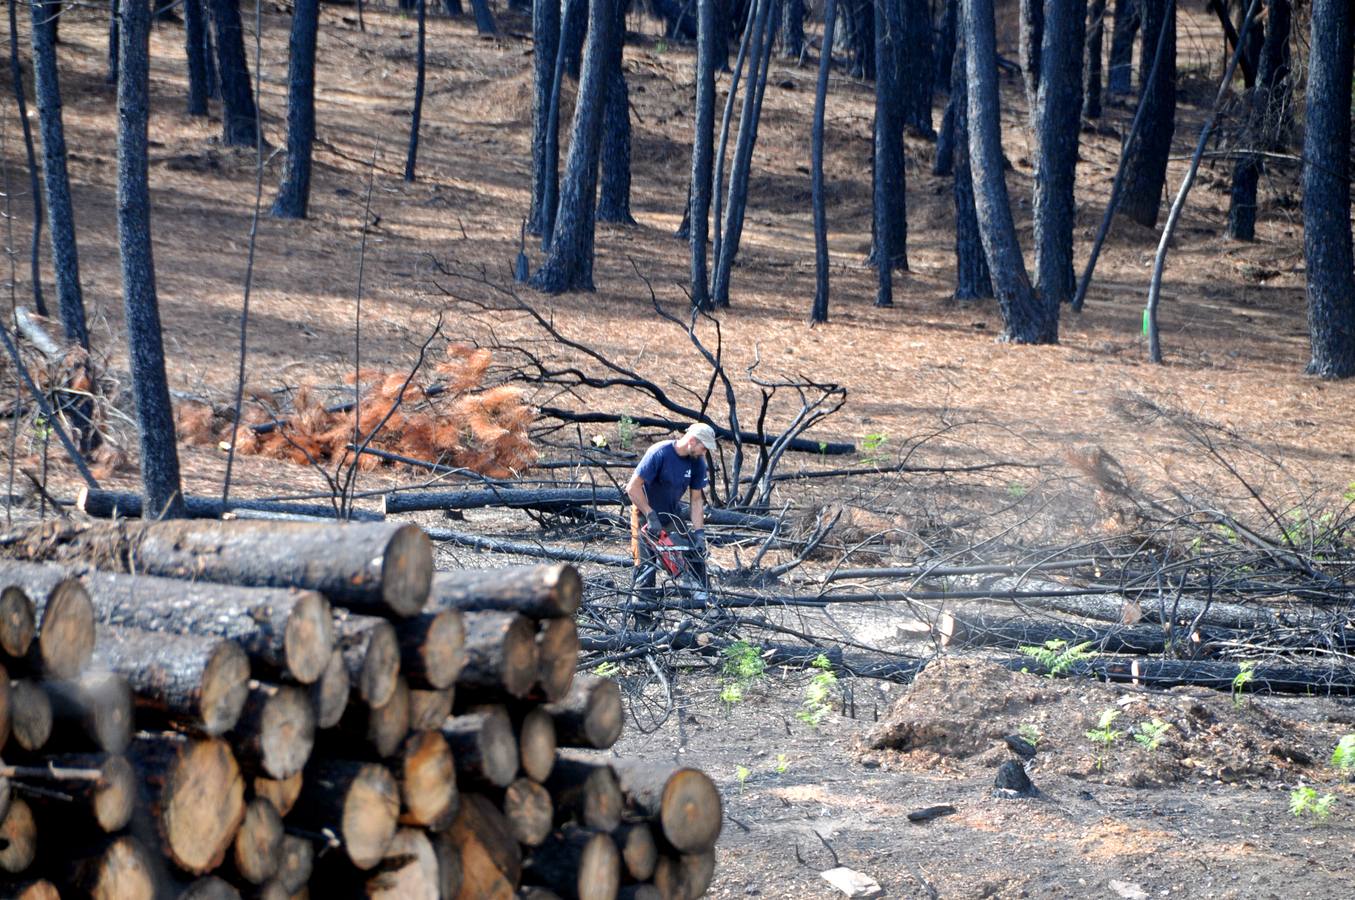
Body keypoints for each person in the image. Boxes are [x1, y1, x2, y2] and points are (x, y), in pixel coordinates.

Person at [626, 422, 717, 592]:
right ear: (692, 441)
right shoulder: (660, 453)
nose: (704, 452)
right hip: (644, 516)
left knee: (693, 556)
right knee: (645, 570)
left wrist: (699, 534)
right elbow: (632, 487)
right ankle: (643, 615)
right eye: (703, 448)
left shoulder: (697, 462)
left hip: (670, 515)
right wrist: (650, 515)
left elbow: (696, 500)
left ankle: (708, 607)